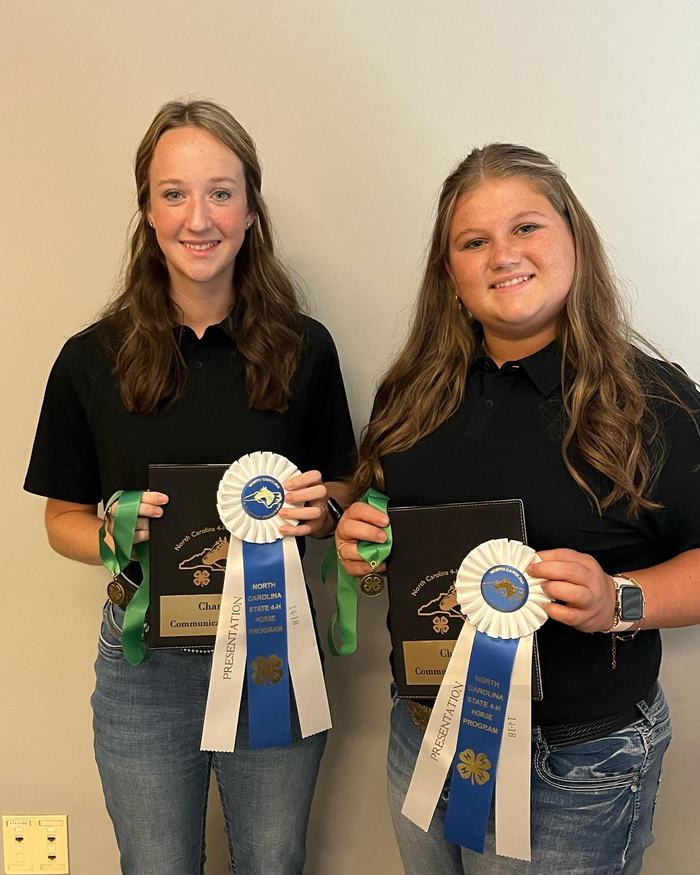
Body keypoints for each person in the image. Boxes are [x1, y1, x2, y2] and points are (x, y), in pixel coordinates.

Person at [335, 144, 700, 874]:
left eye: (526, 228)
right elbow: (385, 526)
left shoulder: (652, 403)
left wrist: (618, 599)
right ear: (451, 272)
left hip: (573, 764)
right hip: (427, 738)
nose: (503, 254)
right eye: (474, 241)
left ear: (573, 237)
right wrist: (360, 539)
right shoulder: (410, 395)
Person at [24, 99, 355, 875]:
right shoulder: (89, 358)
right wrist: (107, 533)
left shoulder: (306, 348)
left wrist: (324, 507)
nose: (198, 217)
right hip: (145, 664)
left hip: (275, 646)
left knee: (272, 860)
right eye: (174, 193)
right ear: (146, 208)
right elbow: (60, 518)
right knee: (155, 864)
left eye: (221, 191)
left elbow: (343, 482)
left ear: (250, 210)